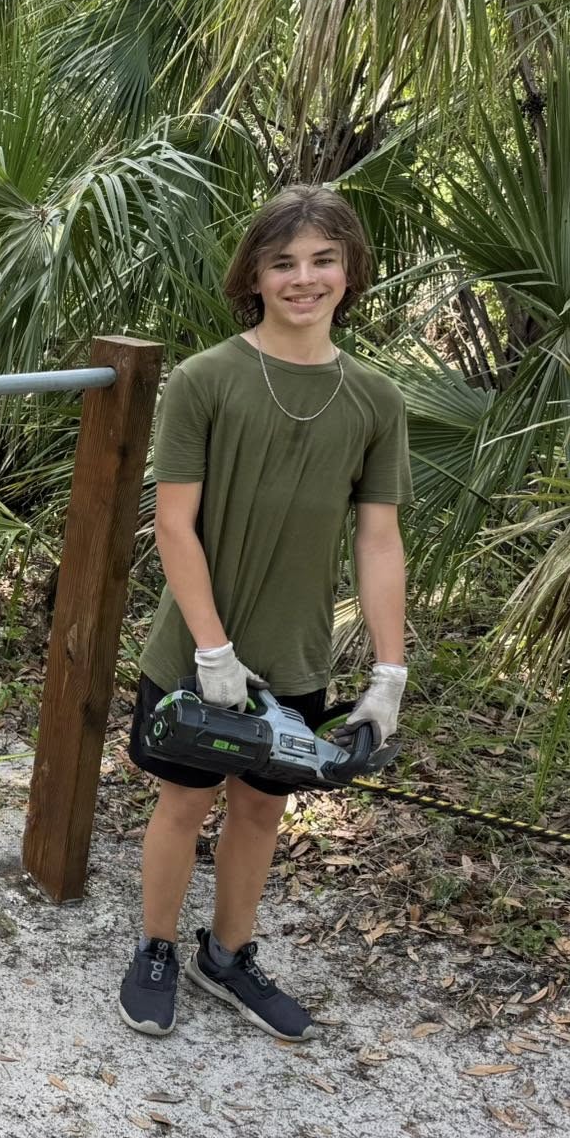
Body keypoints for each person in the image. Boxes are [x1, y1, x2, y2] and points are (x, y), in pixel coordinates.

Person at [117, 185, 411, 1042]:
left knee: (261, 808)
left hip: (297, 652)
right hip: (197, 650)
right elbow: (173, 523)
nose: (303, 278)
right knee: (183, 801)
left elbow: (380, 537)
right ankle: (158, 947)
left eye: (322, 260)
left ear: (350, 272)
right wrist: (212, 649)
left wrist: (388, 672)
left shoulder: (376, 401)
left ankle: (230, 954)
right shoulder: (206, 379)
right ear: (253, 273)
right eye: (283, 262)